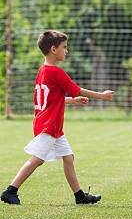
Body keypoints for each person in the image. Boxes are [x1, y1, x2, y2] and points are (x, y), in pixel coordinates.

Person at [1, 30, 114, 205]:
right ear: (54, 49)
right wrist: (103, 95)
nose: (66, 51)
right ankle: (10, 190)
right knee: (37, 160)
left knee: (68, 157)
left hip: (50, 124)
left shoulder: (43, 70)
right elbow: (78, 89)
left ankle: (80, 196)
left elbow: (51, 99)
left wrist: (72, 101)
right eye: (64, 47)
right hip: (49, 124)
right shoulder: (56, 72)